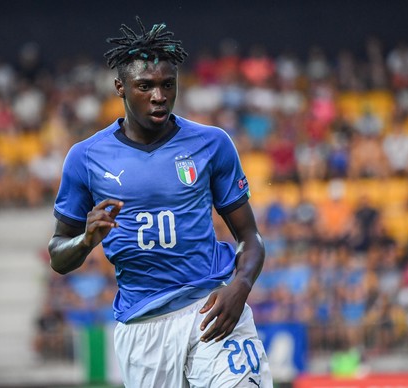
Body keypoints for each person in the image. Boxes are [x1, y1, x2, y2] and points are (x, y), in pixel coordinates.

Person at [48, 17, 272, 388]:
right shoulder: (85, 158)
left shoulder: (211, 144)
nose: (159, 96)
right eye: (145, 86)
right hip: (143, 330)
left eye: (168, 85)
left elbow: (251, 236)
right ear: (120, 87)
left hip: (210, 309)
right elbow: (58, 255)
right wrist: (86, 241)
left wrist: (240, 286)